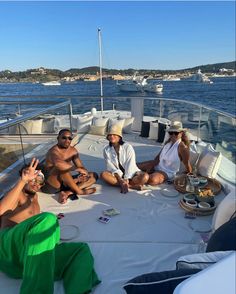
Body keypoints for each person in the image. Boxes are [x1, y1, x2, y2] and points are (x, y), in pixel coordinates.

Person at [0, 158, 100, 294]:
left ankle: (78, 291)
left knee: (80, 250)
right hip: (9, 249)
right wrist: (23, 181)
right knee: (48, 218)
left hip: (27, 257)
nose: (36, 183)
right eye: (32, 177)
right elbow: (1, 210)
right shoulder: (17, 194)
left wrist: (67, 193)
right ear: (24, 175)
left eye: (40, 180)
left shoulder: (34, 198)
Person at [42, 128, 98, 203]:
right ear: (58, 138)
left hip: (66, 181)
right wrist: (77, 169)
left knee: (93, 175)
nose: (67, 140)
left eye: (69, 138)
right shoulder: (53, 151)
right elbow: (58, 164)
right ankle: (79, 191)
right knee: (61, 168)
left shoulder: (73, 151)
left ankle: (68, 192)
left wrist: (83, 175)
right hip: (52, 185)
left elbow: (81, 167)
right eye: (64, 138)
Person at [138, 121, 192, 185]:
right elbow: (158, 157)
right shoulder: (168, 143)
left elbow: (187, 164)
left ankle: (136, 180)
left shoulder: (183, 148)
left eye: (176, 133)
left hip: (167, 172)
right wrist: (151, 166)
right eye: (171, 133)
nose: (173, 135)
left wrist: (190, 174)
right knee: (135, 165)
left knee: (152, 180)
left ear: (181, 133)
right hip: (158, 165)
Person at [100, 125, 149, 193]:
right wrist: (120, 180)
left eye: (114, 134)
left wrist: (126, 178)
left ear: (119, 136)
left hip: (131, 174)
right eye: (110, 134)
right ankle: (130, 186)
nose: (112, 136)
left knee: (145, 177)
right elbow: (111, 167)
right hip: (117, 176)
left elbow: (130, 164)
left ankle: (125, 184)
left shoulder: (128, 147)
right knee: (103, 175)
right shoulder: (106, 150)